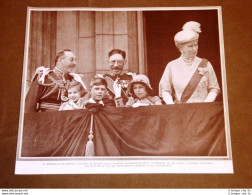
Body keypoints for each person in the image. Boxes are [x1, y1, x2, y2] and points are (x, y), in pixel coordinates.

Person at [159, 21, 220, 104]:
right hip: (181, 112)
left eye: (196, 45)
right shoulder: (171, 65)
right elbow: (165, 90)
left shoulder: (205, 63)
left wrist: (205, 106)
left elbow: (214, 88)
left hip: (204, 112)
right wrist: (172, 106)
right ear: (181, 48)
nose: (194, 49)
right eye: (190, 46)